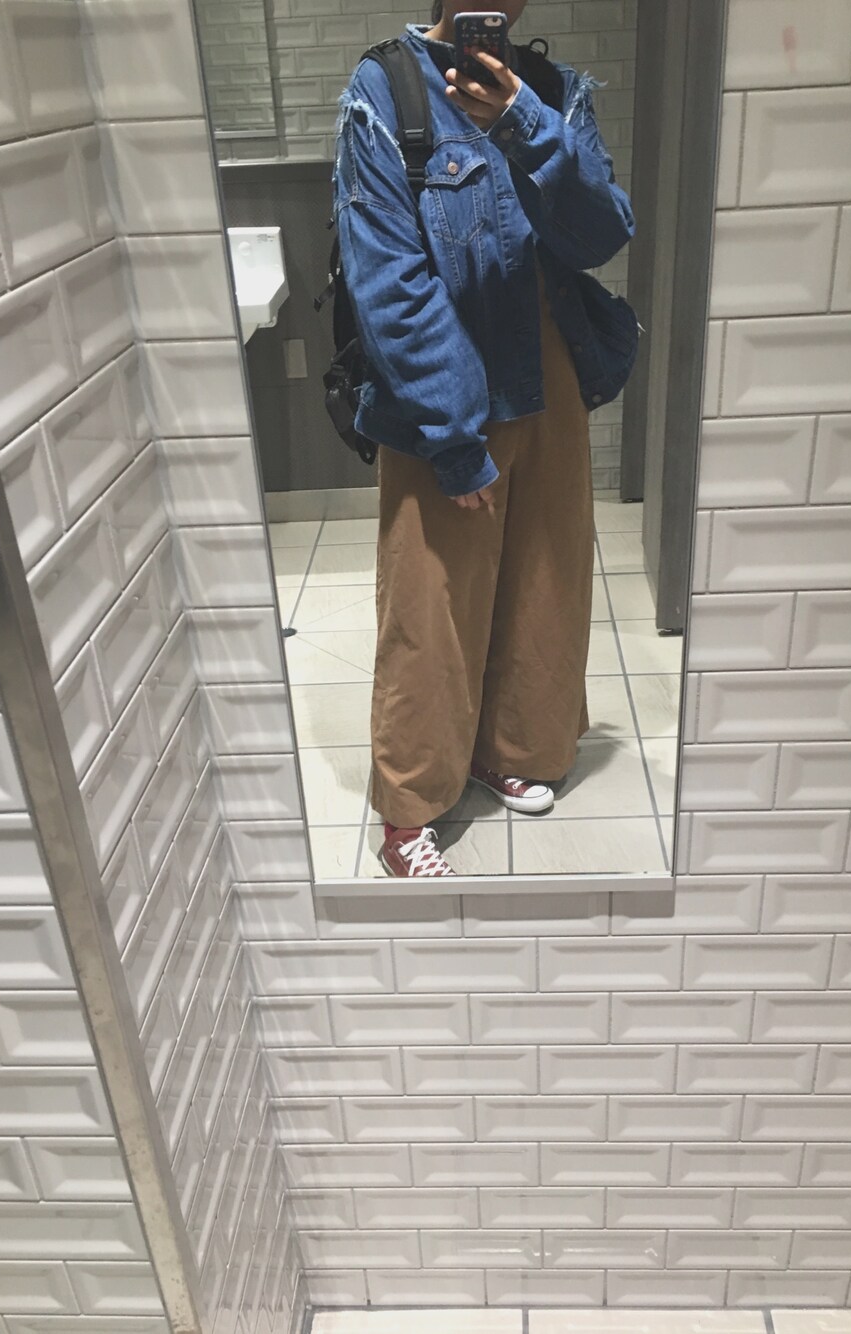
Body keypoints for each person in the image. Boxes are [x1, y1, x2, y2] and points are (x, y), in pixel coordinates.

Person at [333, 0, 635, 877]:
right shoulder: (386, 90)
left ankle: (512, 748)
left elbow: (600, 234)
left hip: (552, 370)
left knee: (546, 576)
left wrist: (523, 124)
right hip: (442, 380)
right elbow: (387, 278)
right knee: (431, 601)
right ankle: (411, 806)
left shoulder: (550, 90)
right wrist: (454, 434)